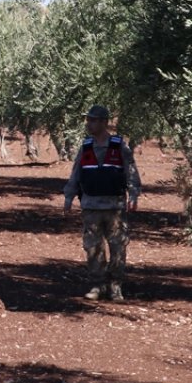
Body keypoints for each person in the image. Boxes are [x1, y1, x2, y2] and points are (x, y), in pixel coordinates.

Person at [63, 105, 141, 301]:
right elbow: (76, 174)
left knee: (118, 247)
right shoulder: (86, 146)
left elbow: (131, 172)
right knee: (92, 247)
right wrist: (68, 196)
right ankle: (98, 284)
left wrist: (133, 194)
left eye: (94, 120)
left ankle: (115, 286)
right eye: (88, 120)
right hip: (91, 206)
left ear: (104, 122)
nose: (89, 124)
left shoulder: (119, 146)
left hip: (114, 207)